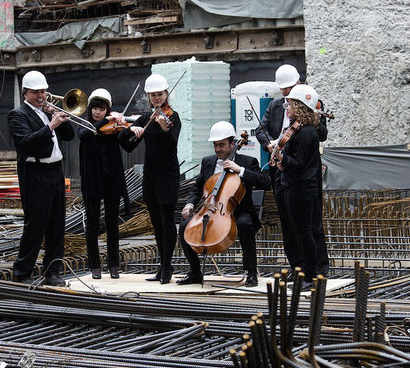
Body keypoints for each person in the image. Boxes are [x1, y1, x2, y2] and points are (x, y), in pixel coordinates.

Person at [255, 64, 330, 275]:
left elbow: (322, 133)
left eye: (289, 89)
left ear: (298, 83)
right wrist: (271, 144)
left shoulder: (311, 102)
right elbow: (261, 129)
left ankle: (318, 267)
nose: (286, 95)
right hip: (281, 169)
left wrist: (308, 118)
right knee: (288, 221)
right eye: (284, 91)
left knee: (311, 223)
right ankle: (297, 266)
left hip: (303, 171)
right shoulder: (276, 105)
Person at [177, 121, 270, 287]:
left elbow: (265, 182)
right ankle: (195, 272)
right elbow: (198, 188)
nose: (218, 149)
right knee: (184, 226)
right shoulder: (208, 162)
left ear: (232, 143)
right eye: (215, 145)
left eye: (222, 145)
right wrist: (190, 204)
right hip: (212, 209)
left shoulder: (248, 162)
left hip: (239, 210)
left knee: (244, 224)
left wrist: (240, 170)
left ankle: (251, 271)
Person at [8, 70, 74, 286]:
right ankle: (22, 272)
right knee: (36, 224)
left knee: (57, 224)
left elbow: (69, 136)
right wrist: (50, 125)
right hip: (36, 174)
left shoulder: (47, 111)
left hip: (55, 171)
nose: (42, 96)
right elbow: (26, 142)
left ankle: (52, 271)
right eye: (36, 92)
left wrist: (60, 118)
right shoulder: (18, 115)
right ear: (25, 92)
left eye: (43, 91)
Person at [120, 73, 182, 284]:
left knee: (167, 222)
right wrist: (129, 129)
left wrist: (165, 129)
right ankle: (162, 265)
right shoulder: (146, 119)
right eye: (153, 95)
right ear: (148, 96)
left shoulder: (173, 117)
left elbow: (171, 147)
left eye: (160, 94)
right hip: (151, 176)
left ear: (166, 94)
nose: (157, 99)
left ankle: (167, 267)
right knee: (156, 223)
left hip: (168, 175)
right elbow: (127, 145)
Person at [77, 88, 131, 279]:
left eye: (101, 109)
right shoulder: (84, 125)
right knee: (92, 223)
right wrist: (105, 121)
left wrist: (135, 129)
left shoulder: (113, 129)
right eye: (94, 108)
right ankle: (95, 266)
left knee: (112, 223)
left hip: (111, 180)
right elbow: (85, 133)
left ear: (108, 109)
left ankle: (114, 265)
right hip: (92, 180)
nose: (97, 112)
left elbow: (129, 145)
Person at [275, 84, 324, 289]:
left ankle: (310, 276)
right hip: (294, 185)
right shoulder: (300, 128)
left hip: (302, 188)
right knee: (299, 233)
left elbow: (299, 163)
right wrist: (283, 161)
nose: (287, 107)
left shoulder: (305, 133)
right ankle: (305, 273)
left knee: (304, 233)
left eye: (291, 104)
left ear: (300, 106)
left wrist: (282, 158)